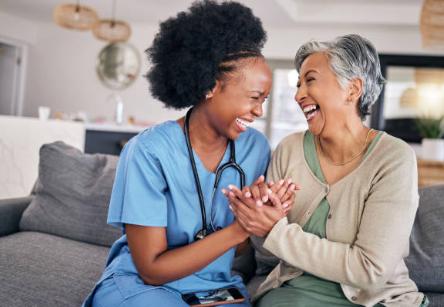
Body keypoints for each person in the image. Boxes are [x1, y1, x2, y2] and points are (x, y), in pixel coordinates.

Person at [81, 1, 296, 306]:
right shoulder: (148, 151)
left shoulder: (255, 148)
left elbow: (242, 252)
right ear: (210, 85)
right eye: (253, 97)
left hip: (215, 286)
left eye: (264, 99)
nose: (259, 111)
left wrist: (261, 214)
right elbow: (152, 270)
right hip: (147, 286)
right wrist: (240, 227)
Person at [225, 34, 428, 307]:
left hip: (376, 300)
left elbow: (370, 271)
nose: (298, 95)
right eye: (298, 84)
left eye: (310, 80)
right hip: (292, 292)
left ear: (353, 89)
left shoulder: (393, 158)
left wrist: (275, 228)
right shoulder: (290, 148)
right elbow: (266, 251)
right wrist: (259, 210)